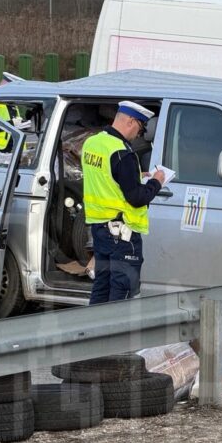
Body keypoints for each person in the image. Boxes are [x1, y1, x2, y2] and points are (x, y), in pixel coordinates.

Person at [82, 100, 164, 303]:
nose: (139, 135)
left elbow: (107, 178)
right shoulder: (122, 153)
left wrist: (135, 174)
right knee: (122, 293)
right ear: (131, 122)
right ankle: (114, 334)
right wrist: (156, 182)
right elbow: (136, 198)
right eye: (140, 128)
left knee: (101, 287)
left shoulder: (92, 143)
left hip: (100, 229)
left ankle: (95, 334)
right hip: (122, 235)